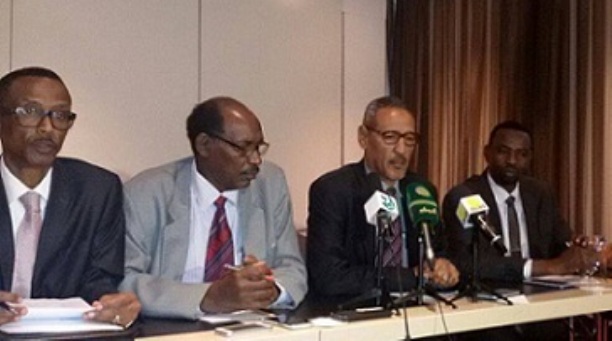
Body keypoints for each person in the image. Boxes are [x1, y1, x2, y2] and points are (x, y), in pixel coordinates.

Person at [120, 96, 307, 319]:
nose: (256, 160)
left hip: (252, 325)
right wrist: (209, 297)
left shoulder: (270, 182)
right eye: (243, 148)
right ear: (204, 145)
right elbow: (126, 280)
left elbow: (292, 267)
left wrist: (271, 290)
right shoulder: (147, 192)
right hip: (173, 327)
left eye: (258, 147)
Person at [0, 67, 140, 327]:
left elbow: (100, 281)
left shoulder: (97, 190)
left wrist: (112, 305)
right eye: (31, 112)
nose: (48, 128)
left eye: (61, 116)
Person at [442, 120, 593, 341]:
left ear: (529, 158)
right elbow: (465, 262)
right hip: (488, 306)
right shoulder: (465, 196)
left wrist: (579, 249)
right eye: (504, 152)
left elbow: (562, 241)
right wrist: (541, 266)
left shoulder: (540, 193)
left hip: (538, 301)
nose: (512, 161)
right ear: (487, 153)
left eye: (521, 154)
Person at [307, 96, 459, 300]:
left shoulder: (421, 190)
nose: (401, 150)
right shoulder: (334, 190)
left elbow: (439, 250)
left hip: (421, 309)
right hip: (359, 313)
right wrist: (411, 277)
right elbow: (329, 276)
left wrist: (442, 264)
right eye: (390, 137)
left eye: (410, 139)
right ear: (363, 137)